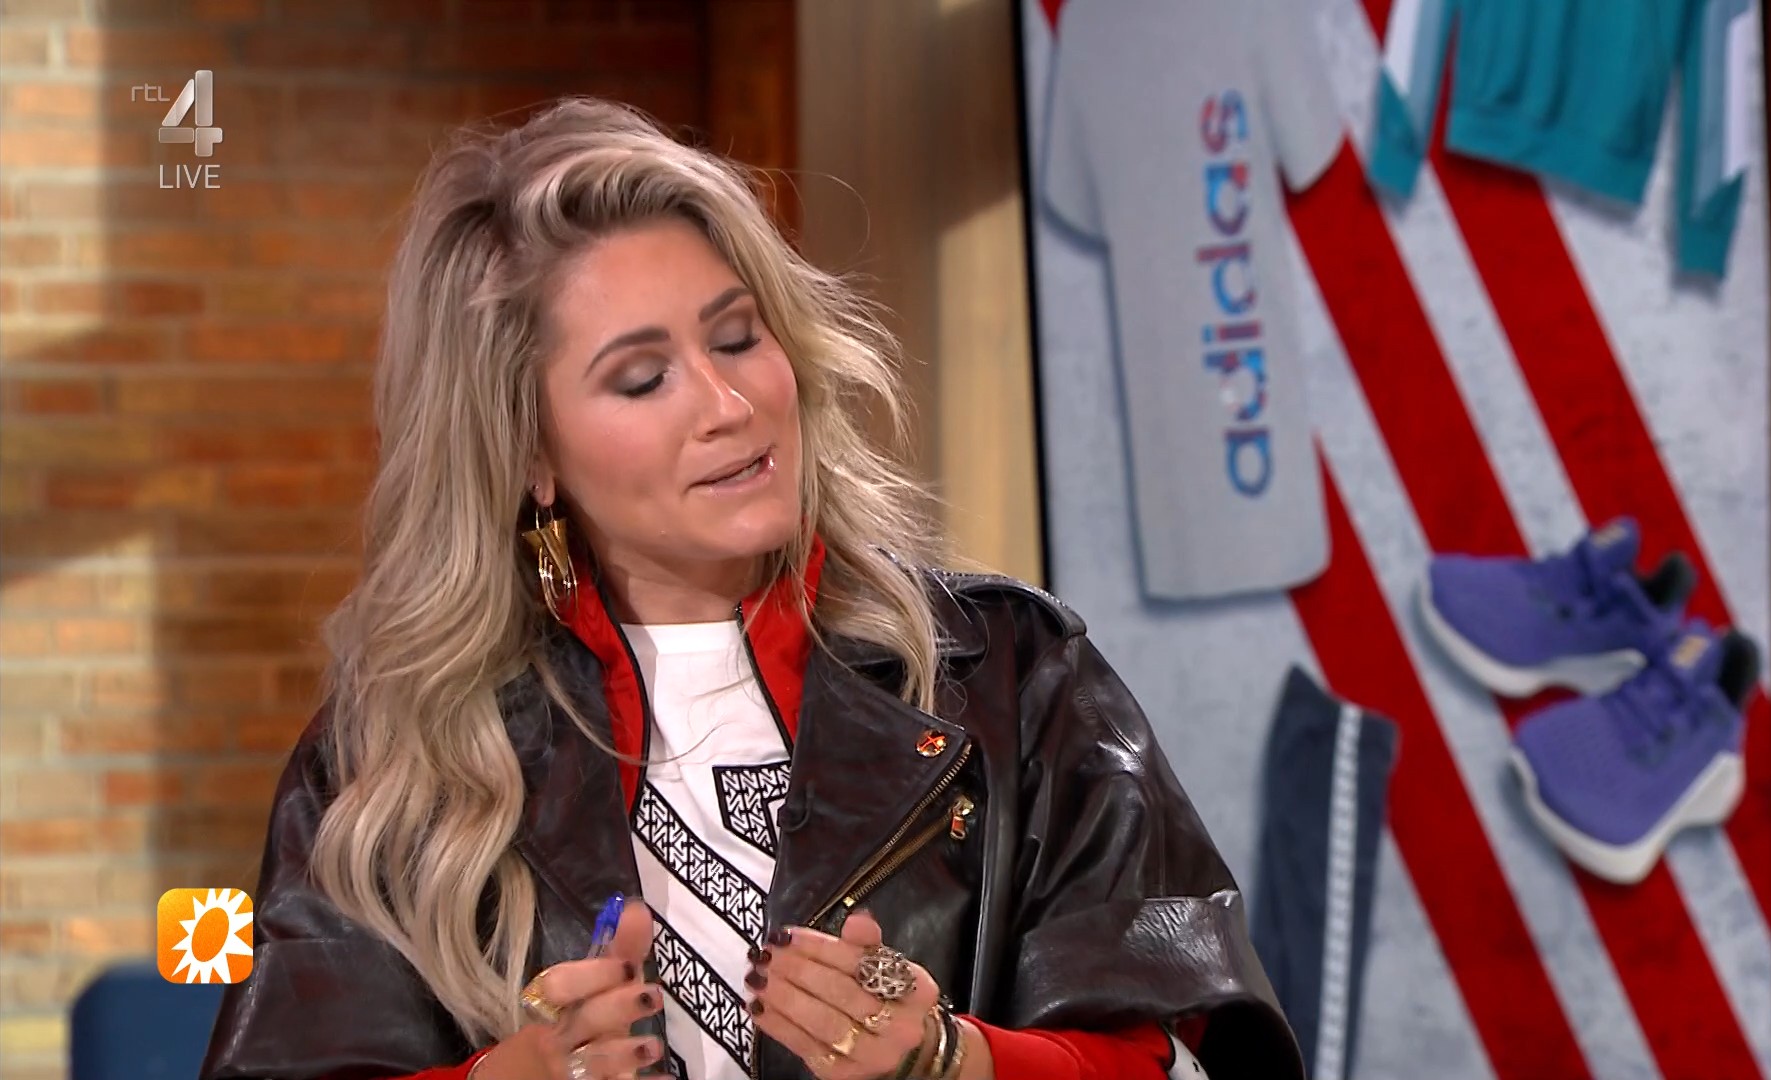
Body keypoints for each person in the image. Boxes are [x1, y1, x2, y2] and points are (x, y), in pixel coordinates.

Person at [201, 98, 1298, 1080]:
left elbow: (1173, 1055)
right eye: (643, 378)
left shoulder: (1017, 676)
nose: (728, 405)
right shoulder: (387, 757)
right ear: (528, 451)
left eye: (738, 337)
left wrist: (951, 1061)